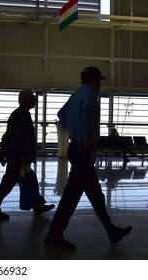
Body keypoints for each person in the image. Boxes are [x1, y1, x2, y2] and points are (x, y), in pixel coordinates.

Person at [45, 66, 132, 250]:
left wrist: (73, 131)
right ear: (93, 80)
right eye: (99, 80)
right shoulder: (91, 94)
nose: (100, 83)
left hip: (74, 148)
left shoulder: (76, 94)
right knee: (72, 197)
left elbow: (61, 114)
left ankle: (111, 231)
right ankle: (54, 235)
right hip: (83, 150)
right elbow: (88, 112)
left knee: (94, 194)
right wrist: (86, 136)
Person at [0, 89, 54, 219]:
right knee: (10, 182)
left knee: (26, 180)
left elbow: (7, 135)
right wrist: (24, 154)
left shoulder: (18, 114)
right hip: (17, 156)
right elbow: (20, 136)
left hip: (14, 154)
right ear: (25, 100)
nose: (35, 100)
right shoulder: (22, 114)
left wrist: (5, 149)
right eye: (32, 98)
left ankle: (37, 205)